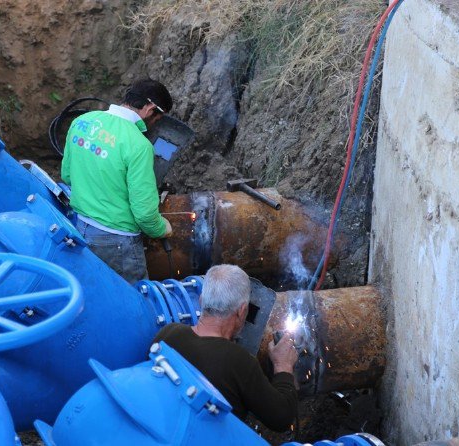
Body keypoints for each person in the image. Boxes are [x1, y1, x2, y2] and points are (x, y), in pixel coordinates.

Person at [151, 264, 299, 432]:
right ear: (242, 311)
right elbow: (281, 418)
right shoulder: (239, 362)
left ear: (201, 300)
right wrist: (283, 367)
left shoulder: (167, 334)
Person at [61, 78, 173, 284]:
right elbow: (145, 215)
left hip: (79, 226)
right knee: (134, 302)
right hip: (118, 242)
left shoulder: (82, 122)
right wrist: (162, 228)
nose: (155, 123)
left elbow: (67, 175)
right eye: (158, 118)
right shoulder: (139, 145)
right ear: (150, 109)